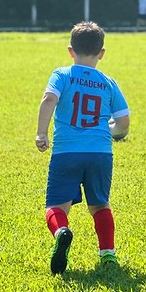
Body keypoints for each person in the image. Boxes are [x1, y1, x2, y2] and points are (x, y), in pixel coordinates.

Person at [35, 21, 130, 275]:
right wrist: (109, 132)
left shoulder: (62, 74)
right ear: (101, 53)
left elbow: (49, 99)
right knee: (100, 205)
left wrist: (41, 133)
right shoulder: (108, 82)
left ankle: (61, 232)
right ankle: (107, 254)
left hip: (66, 151)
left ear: (70, 50)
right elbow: (123, 122)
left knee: (56, 205)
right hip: (100, 153)